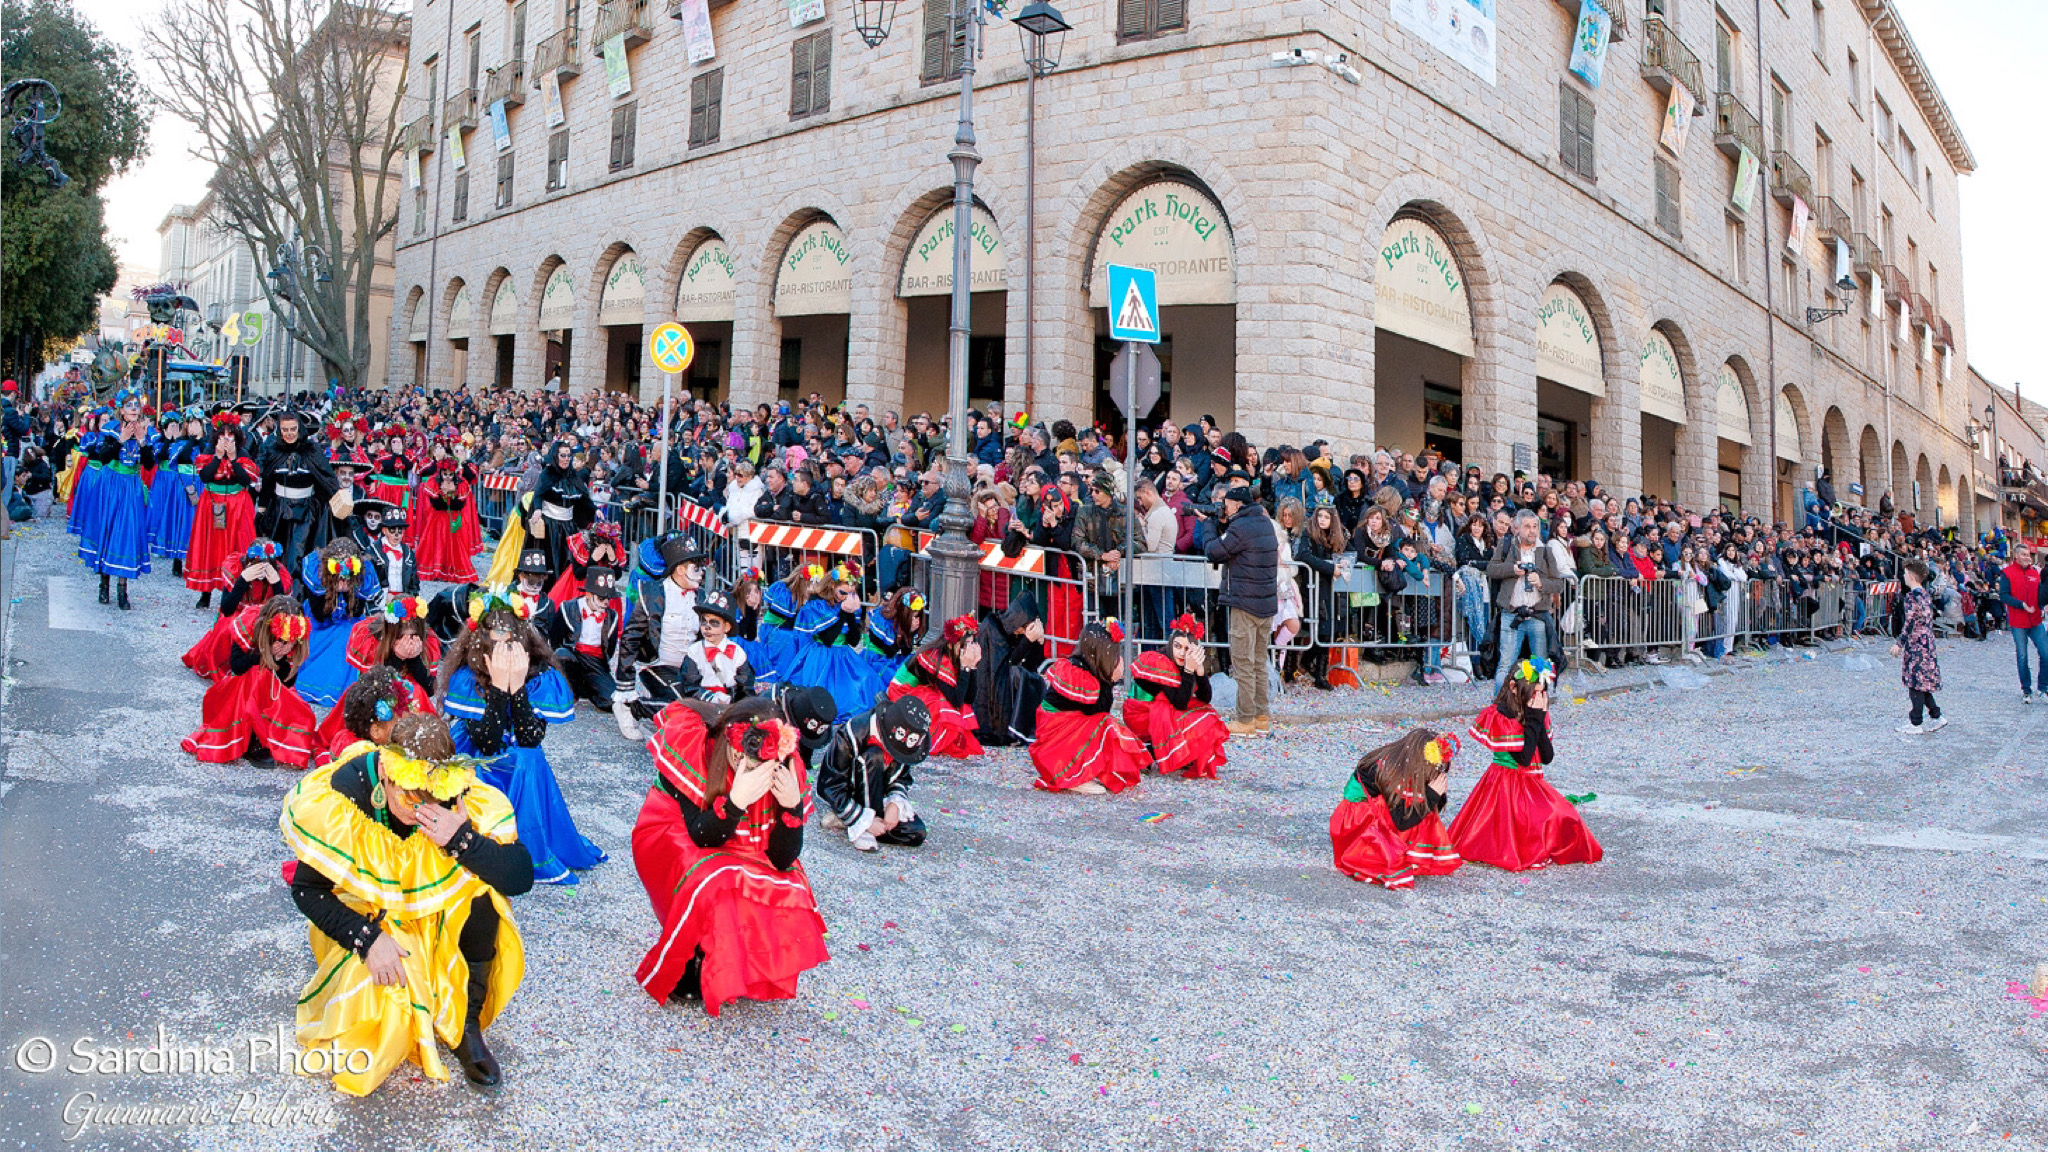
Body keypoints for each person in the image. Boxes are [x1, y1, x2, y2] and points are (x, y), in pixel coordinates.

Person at [280, 712, 532, 1094]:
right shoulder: (346, 794)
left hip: (433, 909)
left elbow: (519, 877)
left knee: (483, 893)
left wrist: (462, 839)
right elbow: (306, 889)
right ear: (386, 772)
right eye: (410, 796)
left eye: (434, 798)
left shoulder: (455, 794)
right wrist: (366, 939)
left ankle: (467, 1023)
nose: (420, 811)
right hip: (371, 914)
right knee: (376, 1014)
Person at [631, 699, 828, 1013]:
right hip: (676, 835)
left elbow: (782, 859)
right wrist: (736, 801)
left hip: (736, 842)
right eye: (745, 750)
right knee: (715, 877)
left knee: (786, 885)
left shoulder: (785, 767)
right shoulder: (695, 745)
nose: (750, 763)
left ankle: (738, 955)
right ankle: (694, 950)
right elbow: (700, 835)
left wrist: (792, 807)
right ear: (728, 736)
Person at [440, 587, 607, 884]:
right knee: (504, 759)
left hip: (521, 759)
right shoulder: (468, 677)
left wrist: (516, 687)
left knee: (526, 757)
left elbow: (531, 738)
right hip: (477, 756)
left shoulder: (539, 676)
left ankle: (527, 846)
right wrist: (498, 690)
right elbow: (488, 742)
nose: (504, 649)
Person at [1449, 658, 1603, 871]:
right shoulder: (1502, 715)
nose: (1538, 698)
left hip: (1532, 782)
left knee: (1565, 816)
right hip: (1506, 786)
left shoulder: (1537, 713)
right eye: (1533, 693)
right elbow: (1523, 759)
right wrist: (1533, 720)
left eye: (1542, 693)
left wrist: (1538, 720)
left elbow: (1547, 757)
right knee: (1532, 826)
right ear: (1513, 688)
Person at [181, 595, 318, 769]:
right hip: (240, 690)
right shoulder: (250, 622)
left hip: (272, 691)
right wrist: (265, 655)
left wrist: (279, 658)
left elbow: (287, 684)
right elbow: (237, 666)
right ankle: (251, 737)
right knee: (257, 673)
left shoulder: (294, 635)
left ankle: (267, 733)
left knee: (305, 718)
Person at [1329, 729, 1463, 888]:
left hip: (1375, 810)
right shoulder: (1389, 771)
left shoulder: (1403, 763)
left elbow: (1431, 811)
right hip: (1357, 819)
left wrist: (1437, 793)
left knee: (1421, 802)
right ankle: (1381, 852)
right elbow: (1401, 820)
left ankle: (1412, 851)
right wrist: (1432, 794)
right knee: (1417, 803)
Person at [1031, 622, 1148, 794]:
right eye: (1114, 653)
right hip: (1055, 740)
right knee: (1105, 724)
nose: (1117, 658)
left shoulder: (1086, 667)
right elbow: (1099, 713)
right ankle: (1075, 775)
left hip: (1063, 733)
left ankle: (1083, 771)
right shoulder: (1077, 672)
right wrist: (1111, 680)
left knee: (1106, 724)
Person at [1201, 483, 1280, 737]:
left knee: (1243, 663)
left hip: (1245, 604)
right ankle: (1261, 717)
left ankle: (1245, 720)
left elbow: (1214, 551)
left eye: (1227, 503)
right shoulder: (1264, 523)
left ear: (1237, 505)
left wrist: (1208, 526)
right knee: (1258, 663)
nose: (1224, 507)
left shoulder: (1241, 527)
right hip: (1265, 604)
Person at [616, 537, 712, 737]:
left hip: (690, 669)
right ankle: (633, 708)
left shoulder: (701, 597)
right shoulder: (652, 593)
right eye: (696, 567)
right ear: (680, 570)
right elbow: (630, 638)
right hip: (657, 665)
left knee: (709, 703)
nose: (701, 572)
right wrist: (625, 686)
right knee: (686, 708)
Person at [817, 695, 932, 852]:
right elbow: (828, 785)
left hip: (879, 797)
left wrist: (894, 803)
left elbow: (901, 777)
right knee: (874, 756)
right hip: (851, 794)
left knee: (916, 832)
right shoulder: (851, 733)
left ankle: (857, 822)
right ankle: (859, 821)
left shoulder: (901, 742)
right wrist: (864, 819)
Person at [1123, 614, 1229, 779]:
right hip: (1141, 715)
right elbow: (1179, 703)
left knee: (1206, 713)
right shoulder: (1161, 662)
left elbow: (1205, 699)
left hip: (1160, 710)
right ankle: (1153, 752)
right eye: (1177, 646)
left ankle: (1160, 751)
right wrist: (1188, 670)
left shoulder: (1186, 662)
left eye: (1187, 649)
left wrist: (1200, 672)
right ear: (1171, 644)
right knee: (1195, 717)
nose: (1181, 652)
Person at [81, 388, 157, 610]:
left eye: (136, 406)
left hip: (131, 487)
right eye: (129, 406)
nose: (134, 409)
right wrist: (121, 440)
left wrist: (142, 442)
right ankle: (103, 583)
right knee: (107, 529)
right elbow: (102, 457)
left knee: (127, 535)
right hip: (111, 484)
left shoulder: (145, 432)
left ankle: (122, 590)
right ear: (121, 411)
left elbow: (150, 464)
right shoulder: (111, 430)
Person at [294, 540, 383, 709]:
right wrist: (333, 591)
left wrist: (349, 592)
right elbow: (320, 615)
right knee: (339, 638)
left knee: (352, 635)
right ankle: (322, 682)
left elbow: (356, 612)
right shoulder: (317, 573)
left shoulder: (361, 575)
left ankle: (344, 685)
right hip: (320, 623)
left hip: (348, 620)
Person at [186, 419, 263, 609]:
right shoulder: (209, 452)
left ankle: (231, 593)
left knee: (236, 546)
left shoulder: (243, 454)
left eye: (230, 435)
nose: (226, 439)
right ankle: (206, 593)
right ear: (216, 436)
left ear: (236, 437)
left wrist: (234, 458)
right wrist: (218, 457)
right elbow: (205, 477)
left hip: (237, 504)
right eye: (223, 435)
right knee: (210, 546)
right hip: (212, 504)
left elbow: (246, 480)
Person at [884, 614, 983, 759]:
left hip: (922, 690)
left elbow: (968, 699)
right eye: (965, 644)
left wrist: (971, 667)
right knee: (940, 703)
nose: (969, 648)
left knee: (945, 701)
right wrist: (965, 668)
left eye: (971, 643)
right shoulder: (937, 658)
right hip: (902, 691)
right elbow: (956, 700)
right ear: (952, 644)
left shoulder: (954, 656)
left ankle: (947, 738)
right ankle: (931, 740)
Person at [1486, 511, 1567, 688]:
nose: (1532, 531)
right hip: (1511, 614)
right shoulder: (1506, 545)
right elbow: (1491, 569)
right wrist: (1512, 569)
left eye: (1535, 526)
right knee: (1505, 666)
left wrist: (1540, 583)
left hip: (1537, 615)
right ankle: (1501, 711)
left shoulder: (1546, 551)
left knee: (1540, 667)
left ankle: (1536, 710)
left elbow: (1558, 584)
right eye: (1527, 526)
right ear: (1517, 528)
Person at [256, 409, 339, 576]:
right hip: (279, 509)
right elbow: (268, 481)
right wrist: (262, 508)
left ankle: (297, 594)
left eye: (293, 429)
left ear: (299, 428)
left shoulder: (311, 450)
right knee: (278, 551)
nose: (289, 434)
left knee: (298, 553)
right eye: (285, 430)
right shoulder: (273, 449)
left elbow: (325, 477)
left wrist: (335, 498)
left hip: (306, 511)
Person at [539, 565, 625, 712]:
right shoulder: (568, 608)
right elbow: (555, 637)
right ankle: (570, 689)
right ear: (589, 595)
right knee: (561, 654)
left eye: (608, 598)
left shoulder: (612, 616)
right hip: (572, 654)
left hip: (596, 661)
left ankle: (588, 687)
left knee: (610, 702)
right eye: (602, 598)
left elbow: (610, 647)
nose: (606, 603)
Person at [971, 593, 1048, 747]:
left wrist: (1038, 643)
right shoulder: (992, 628)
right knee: (1019, 676)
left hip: (1004, 683)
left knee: (1033, 679)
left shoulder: (1015, 633)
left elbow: (1030, 666)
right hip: (990, 691)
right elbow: (1005, 665)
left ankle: (1023, 729)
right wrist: (1027, 640)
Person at [1890, 557, 1947, 735]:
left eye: (1906, 573)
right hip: (1927, 641)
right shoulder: (1925, 593)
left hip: (1916, 643)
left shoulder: (1911, 597)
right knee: (1924, 681)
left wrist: (1899, 643)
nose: (1904, 576)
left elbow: (1910, 622)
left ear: (1911, 576)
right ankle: (1936, 715)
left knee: (1915, 682)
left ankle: (1916, 722)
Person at [681, 589, 756, 705]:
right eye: (703, 621)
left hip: (731, 704)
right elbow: (690, 686)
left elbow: (746, 686)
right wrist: (711, 698)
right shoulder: (694, 652)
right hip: (702, 704)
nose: (707, 627)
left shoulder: (737, 653)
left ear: (726, 627)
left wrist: (736, 703)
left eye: (714, 623)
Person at [1998, 543, 2047, 704]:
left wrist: (2043, 604)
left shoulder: (2035, 573)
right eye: (2024, 555)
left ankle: (2043, 688)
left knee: (2046, 653)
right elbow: (2004, 596)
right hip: (2018, 622)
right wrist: (2021, 605)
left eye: (2029, 555)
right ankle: (2026, 690)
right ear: (2016, 556)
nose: (2027, 558)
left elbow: (2041, 594)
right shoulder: (2007, 573)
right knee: (2022, 656)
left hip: (2036, 620)